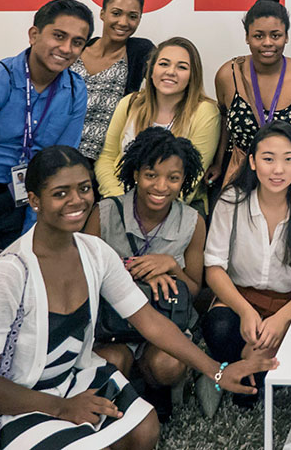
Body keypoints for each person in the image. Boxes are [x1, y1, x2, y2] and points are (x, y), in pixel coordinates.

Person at [0, 146, 272, 449]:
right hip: (19, 395)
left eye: (83, 188)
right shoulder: (8, 275)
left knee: (145, 429)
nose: (76, 200)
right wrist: (62, 408)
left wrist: (216, 369)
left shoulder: (94, 252)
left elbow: (149, 321)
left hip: (74, 376)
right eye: (60, 193)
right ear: (34, 200)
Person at [0, 0, 92, 331]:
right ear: (34, 34)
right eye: (58, 36)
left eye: (77, 42)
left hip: (30, 203)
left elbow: (60, 169)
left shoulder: (74, 91)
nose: (66, 48)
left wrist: (32, 235)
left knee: (20, 308)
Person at [202, 122, 291, 407]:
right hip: (240, 298)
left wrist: (281, 319)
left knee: (267, 356)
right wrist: (246, 311)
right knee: (220, 327)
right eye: (268, 159)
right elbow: (213, 268)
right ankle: (242, 367)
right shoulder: (231, 202)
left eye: (289, 159)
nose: (278, 170)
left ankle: (244, 369)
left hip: (290, 304)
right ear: (252, 161)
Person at [84, 127, 206, 418]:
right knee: (109, 362)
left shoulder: (193, 222)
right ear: (136, 173)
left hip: (165, 324)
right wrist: (132, 270)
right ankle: (124, 391)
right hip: (113, 328)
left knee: (167, 364)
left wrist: (172, 267)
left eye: (173, 178)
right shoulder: (104, 213)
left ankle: (157, 390)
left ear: (184, 181)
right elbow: (84, 277)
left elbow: (194, 291)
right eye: (151, 175)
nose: (161, 186)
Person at [209, 0, 291, 188]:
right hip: (240, 179)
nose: (267, 43)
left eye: (275, 35)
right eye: (259, 36)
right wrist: (217, 162)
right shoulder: (228, 74)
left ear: (286, 37)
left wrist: (277, 173)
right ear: (247, 37)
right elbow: (224, 119)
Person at [95, 37, 219, 212]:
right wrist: (118, 200)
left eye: (182, 67)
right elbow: (106, 157)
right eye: (164, 64)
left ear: (192, 76)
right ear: (151, 69)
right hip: (120, 203)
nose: (171, 72)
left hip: (173, 210)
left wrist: (148, 211)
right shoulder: (130, 103)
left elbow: (192, 178)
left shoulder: (204, 112)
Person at [71, 0, 155, 161]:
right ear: (102, 13)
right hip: (60, 150)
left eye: (133, 16)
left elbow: (166, 83)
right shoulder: (78, 48)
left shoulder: (139, 52)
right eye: (116, 13)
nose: (123, 22)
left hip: (102, 160)